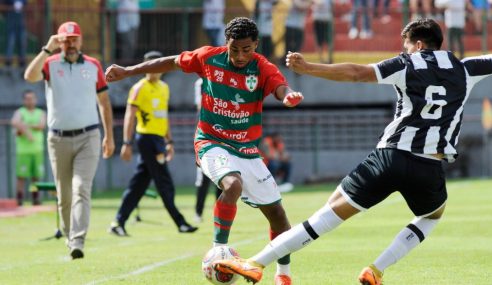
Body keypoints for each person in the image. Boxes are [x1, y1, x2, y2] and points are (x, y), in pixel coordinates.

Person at [214, 18, 492, 285]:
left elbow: (358, 73)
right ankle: (377, 269)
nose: (403, 50)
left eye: (405, 45)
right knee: (432, 216)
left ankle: (256, 262)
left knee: (327, 214)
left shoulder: (407, 63)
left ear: (418, 45)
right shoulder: (466, 69)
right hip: (429, 166)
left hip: (389, 157)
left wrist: (309, 67)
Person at [105, 17, 304, 285]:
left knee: (277, 215)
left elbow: (279, 86)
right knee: (232, 184)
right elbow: (173, 61)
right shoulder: (209, 58)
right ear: (227, 44)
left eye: (246, 49)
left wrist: (288, 95)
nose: (240, 55)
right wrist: (128, 71)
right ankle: (218, 251)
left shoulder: (262, 67)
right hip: (211, 141)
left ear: (256, 45)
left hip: (246, 147)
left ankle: (284, 275)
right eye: (235, 49)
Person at [24, 21, 115, 260]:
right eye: (65, 40)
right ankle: (69, 234)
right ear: (59, 42)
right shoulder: (50, 63)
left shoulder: (94, 65)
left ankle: (78, 240)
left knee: (81, 189)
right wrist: (47, 48)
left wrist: (109, 137)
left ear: (81, 40)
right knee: (63, 195)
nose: (70, 44)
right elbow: (30, 76)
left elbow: (104, 104)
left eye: (74, 39)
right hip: (58, 140)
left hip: (89, 136)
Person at [109, 51, 198, 236]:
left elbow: (163, 116)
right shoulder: (139, 88)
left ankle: (118, 222)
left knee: (139, 185)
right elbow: (130, 116)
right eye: (150, 66)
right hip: (147, 139)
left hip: (158, 139)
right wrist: (126, 142)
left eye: (156, 66)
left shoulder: (164, 88)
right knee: (165, 183)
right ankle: (180, 222)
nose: (153, 70)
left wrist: (170, 141)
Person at [193, 78, 222, 223]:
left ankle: (220, 214)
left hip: (222, 135)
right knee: (203, 179)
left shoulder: (222, 80)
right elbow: (200, 106)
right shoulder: (200, 83)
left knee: (223, 177)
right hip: (206, 136)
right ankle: (198, 213)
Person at [10, 90, 46, 206]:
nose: (30, 101)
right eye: (27, 98)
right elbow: (15, 123)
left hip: (37, 150)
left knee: (36, 177)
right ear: (24, 100)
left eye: (32, 98)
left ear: (35, 100)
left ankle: (36, 199)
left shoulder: (40, 113)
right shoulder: (20, 112)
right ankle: (19, 200)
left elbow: (41, 126)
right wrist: (27, 132)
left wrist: (25, 126)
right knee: (21, 176)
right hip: (23, 151)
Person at [4, 0, 27, 70]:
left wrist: (21, 5)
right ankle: (8, 62)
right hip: (11, 22)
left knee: (22, 43)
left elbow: (26, 4)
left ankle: (22, 62)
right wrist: (12, 6)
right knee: (11, 42)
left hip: (21, 23)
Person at [116, 0, 140, 64]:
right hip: (124, 27)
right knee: (127, 45)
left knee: (132, 45)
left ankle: (129, 62)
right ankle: (125, 63)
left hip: (133, 26)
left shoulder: (135, 2)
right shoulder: (123, 2)